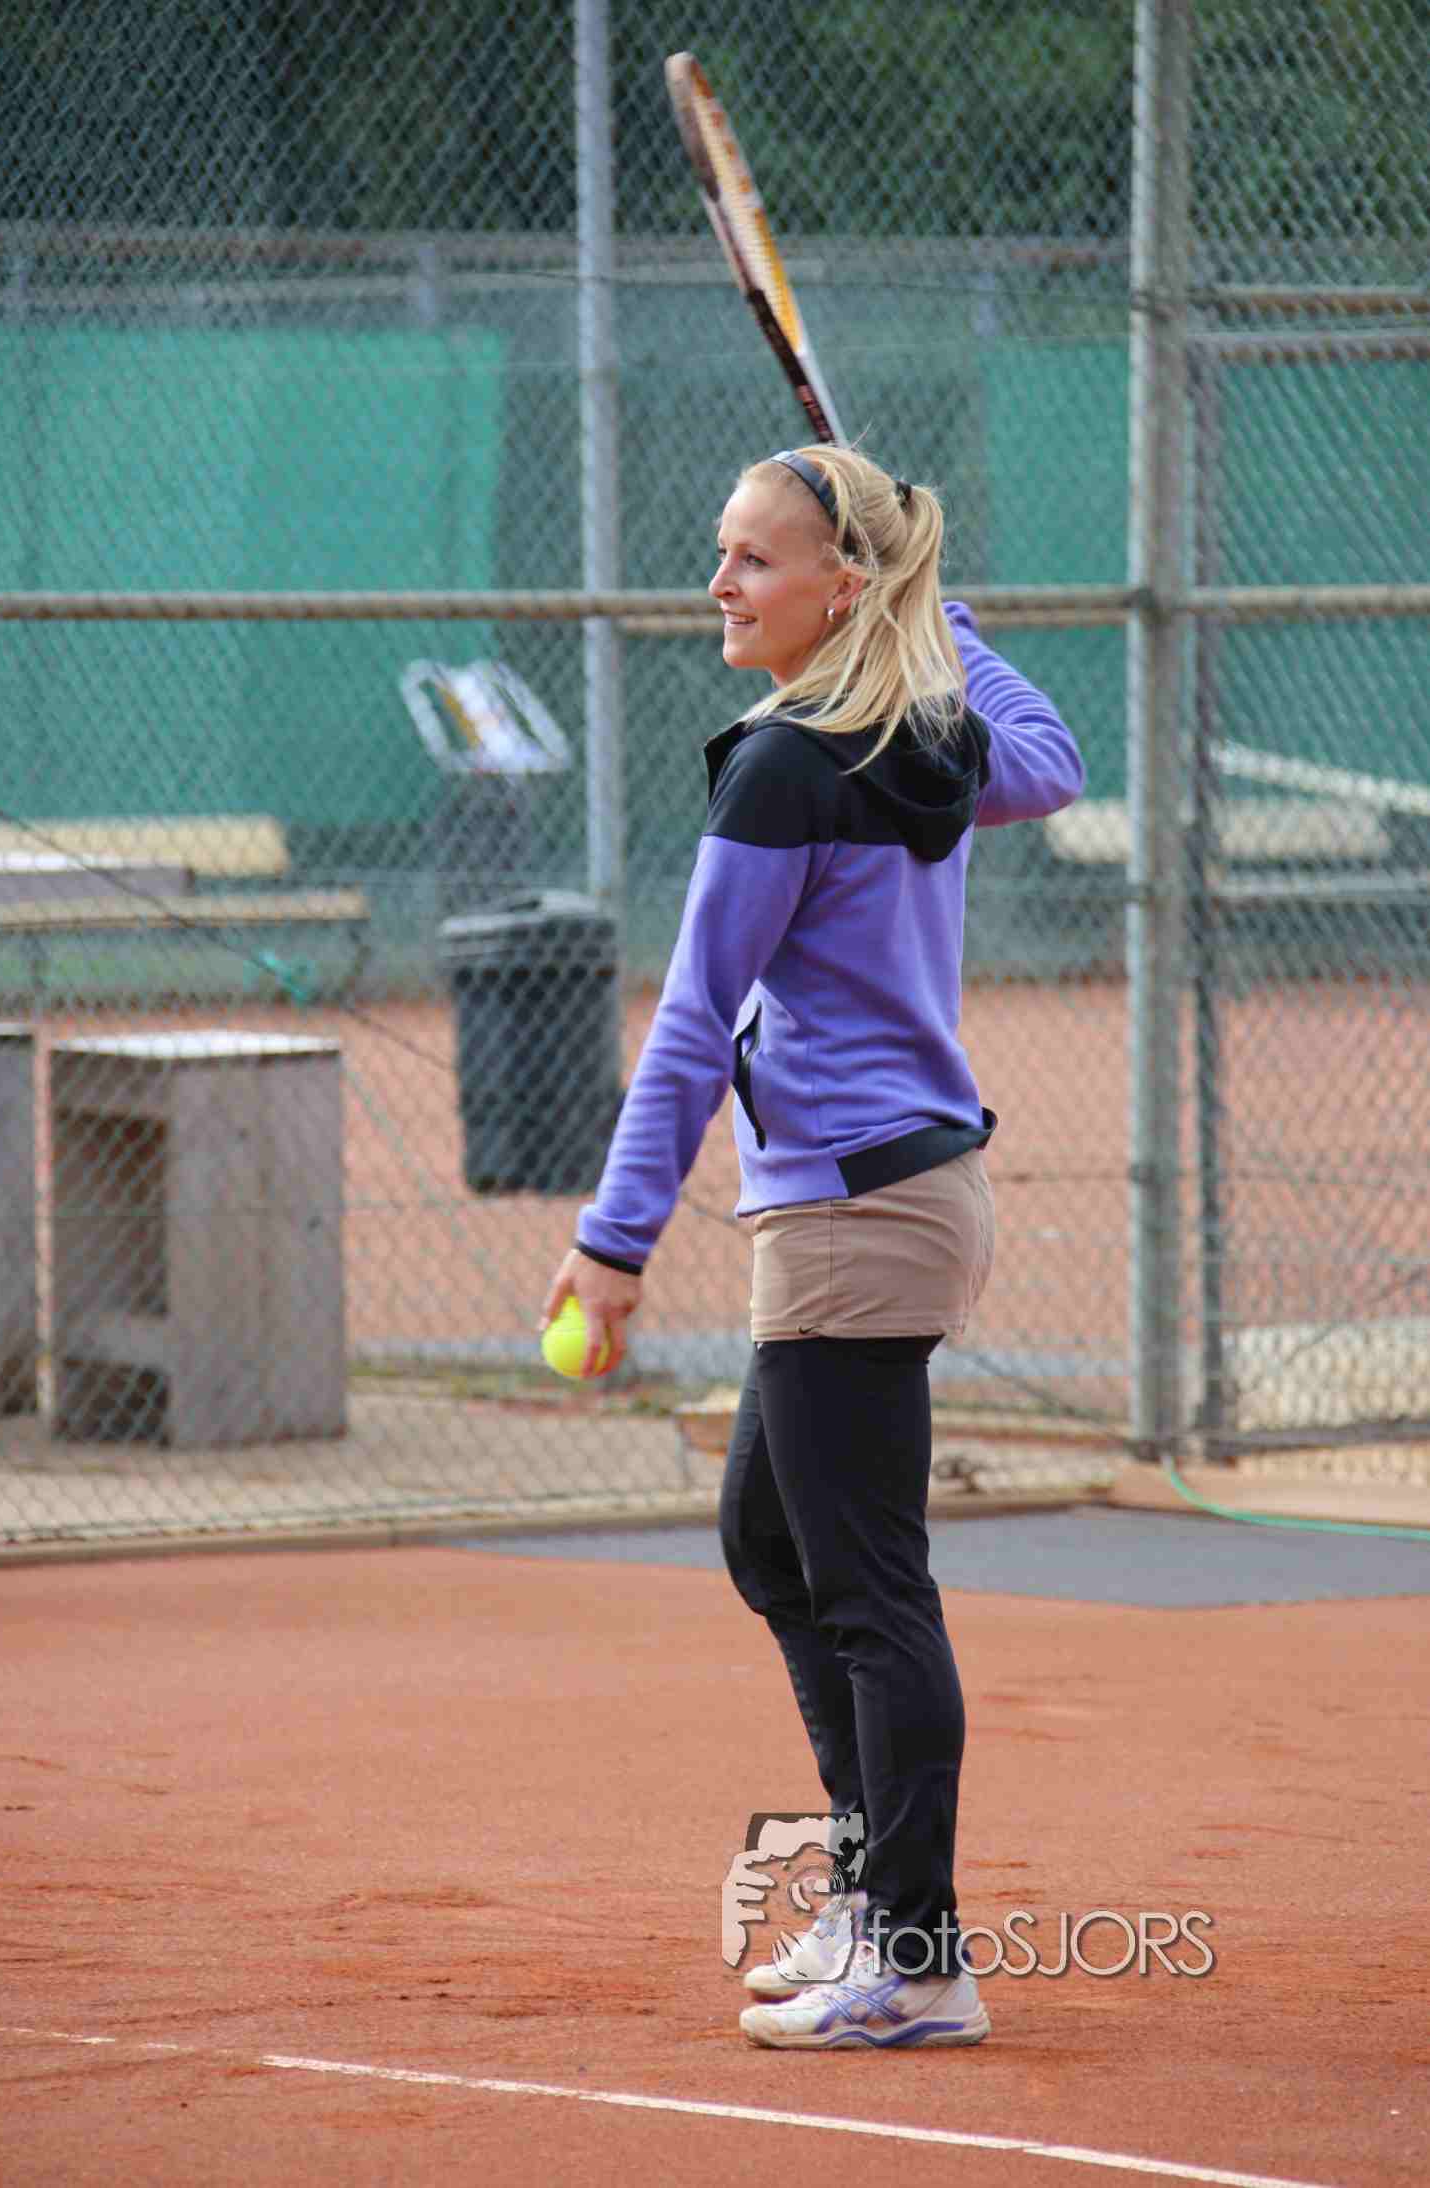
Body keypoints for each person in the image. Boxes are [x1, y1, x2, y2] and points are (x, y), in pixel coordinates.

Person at [540, 442, 1084, 2051]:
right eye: (723, 551)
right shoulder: (925, 737)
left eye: (754, 559)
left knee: (866, 1586)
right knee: (774, 1545)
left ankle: (916, 1959)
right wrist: (939, 616)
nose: (719, 582)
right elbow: (1045, 758)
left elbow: (694, 1022)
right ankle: (875, 1896)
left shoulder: (790, 762)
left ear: (842, 587)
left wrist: (614, 1241)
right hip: (888, 1199)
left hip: (858, 1212)